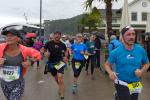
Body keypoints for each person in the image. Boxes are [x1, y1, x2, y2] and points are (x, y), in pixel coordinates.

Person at [104, 26, 149, 100]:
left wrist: (141, 71)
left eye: (133, 34)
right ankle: (118, 95)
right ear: (122, 37)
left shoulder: (140, 50)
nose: (131, 37)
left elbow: (147, 63)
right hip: (121, 82)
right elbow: (107, 64)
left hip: (135, 82)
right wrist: (110, 72)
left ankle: (117, 96)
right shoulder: (116, 52)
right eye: (128, 34)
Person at [0, 29, 41, 100]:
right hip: (4, 83)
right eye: (7, 36)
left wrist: (30, 62)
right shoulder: (1, 47)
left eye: (11, 35)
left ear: (18, 38)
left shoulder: (24, 49)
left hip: (18, 83)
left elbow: (38, 54)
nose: (8, 37)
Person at [41, 31, 68, 100]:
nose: (57, 36)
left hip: (60, 63)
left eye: (59, 35)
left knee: (60, 76)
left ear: (60, 36)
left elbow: (66, 51)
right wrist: (44, 53)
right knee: (56, 78)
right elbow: (42, 50)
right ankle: (60, 86)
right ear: (53, 36)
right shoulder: (48, 43)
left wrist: (66, 57)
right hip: (51, 64)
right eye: (56, 35)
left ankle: (62, 95)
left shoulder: (63, 44)